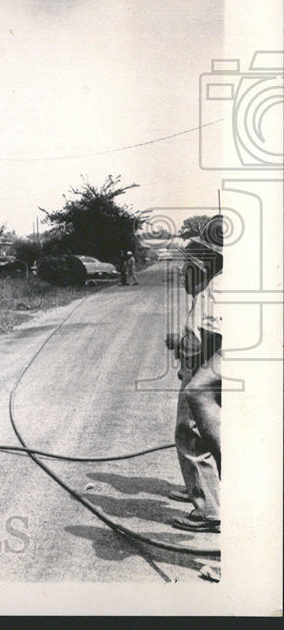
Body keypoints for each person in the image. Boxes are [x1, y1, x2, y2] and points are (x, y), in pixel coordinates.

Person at [164, 226, 223, 533]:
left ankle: (209, 508)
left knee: (189, 435)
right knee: (191, 434)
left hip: (201, 371)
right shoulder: (206, 290)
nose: (184, 271)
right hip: (197, 368)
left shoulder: (212, 292)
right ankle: (198, 492)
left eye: (190, 264)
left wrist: (178, 343)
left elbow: (209, 341)